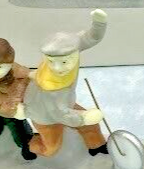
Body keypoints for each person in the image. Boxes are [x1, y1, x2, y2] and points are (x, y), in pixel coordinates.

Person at [24, 10, 109, 157]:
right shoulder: (50, 86)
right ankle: (29, 146)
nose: (57, 68)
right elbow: (60, 113)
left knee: (91, 126)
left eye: (64, 62)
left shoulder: (71, 48)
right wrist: (84, 117)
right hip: (45, 115)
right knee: (50, 149)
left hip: (64, 104)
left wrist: (99, 23)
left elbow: (91, 37)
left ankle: (97, 146)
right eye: (52, 62)